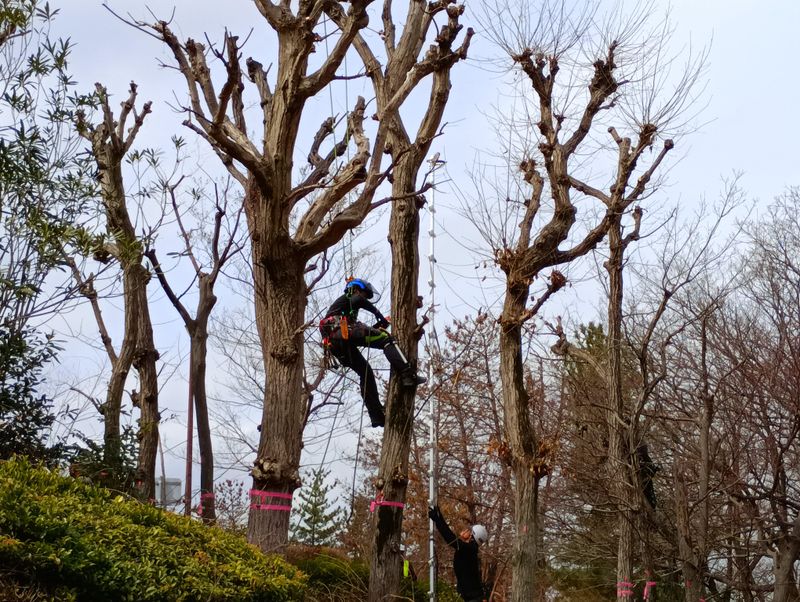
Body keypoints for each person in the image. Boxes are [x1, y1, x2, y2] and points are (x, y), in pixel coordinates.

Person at [319, 278, 426, 427]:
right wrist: (377, 313)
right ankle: (407, 374)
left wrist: (383, 322)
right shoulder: (350, 296)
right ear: (357, 289)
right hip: (342, 333)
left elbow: (365, 332)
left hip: (337, 345)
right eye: (364, 294)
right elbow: (358, 301)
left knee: (365, 372)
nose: (364, 298)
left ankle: (376, 415)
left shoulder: (344, 309)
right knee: (386, 339)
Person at [428, 504, 488, 602]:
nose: (465, 530)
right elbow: (451, 537)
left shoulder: (469, 549)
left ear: (472, 536)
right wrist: (439, 515)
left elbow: (450, 538)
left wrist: (437, 519)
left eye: (469, 530)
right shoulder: (469, 549)